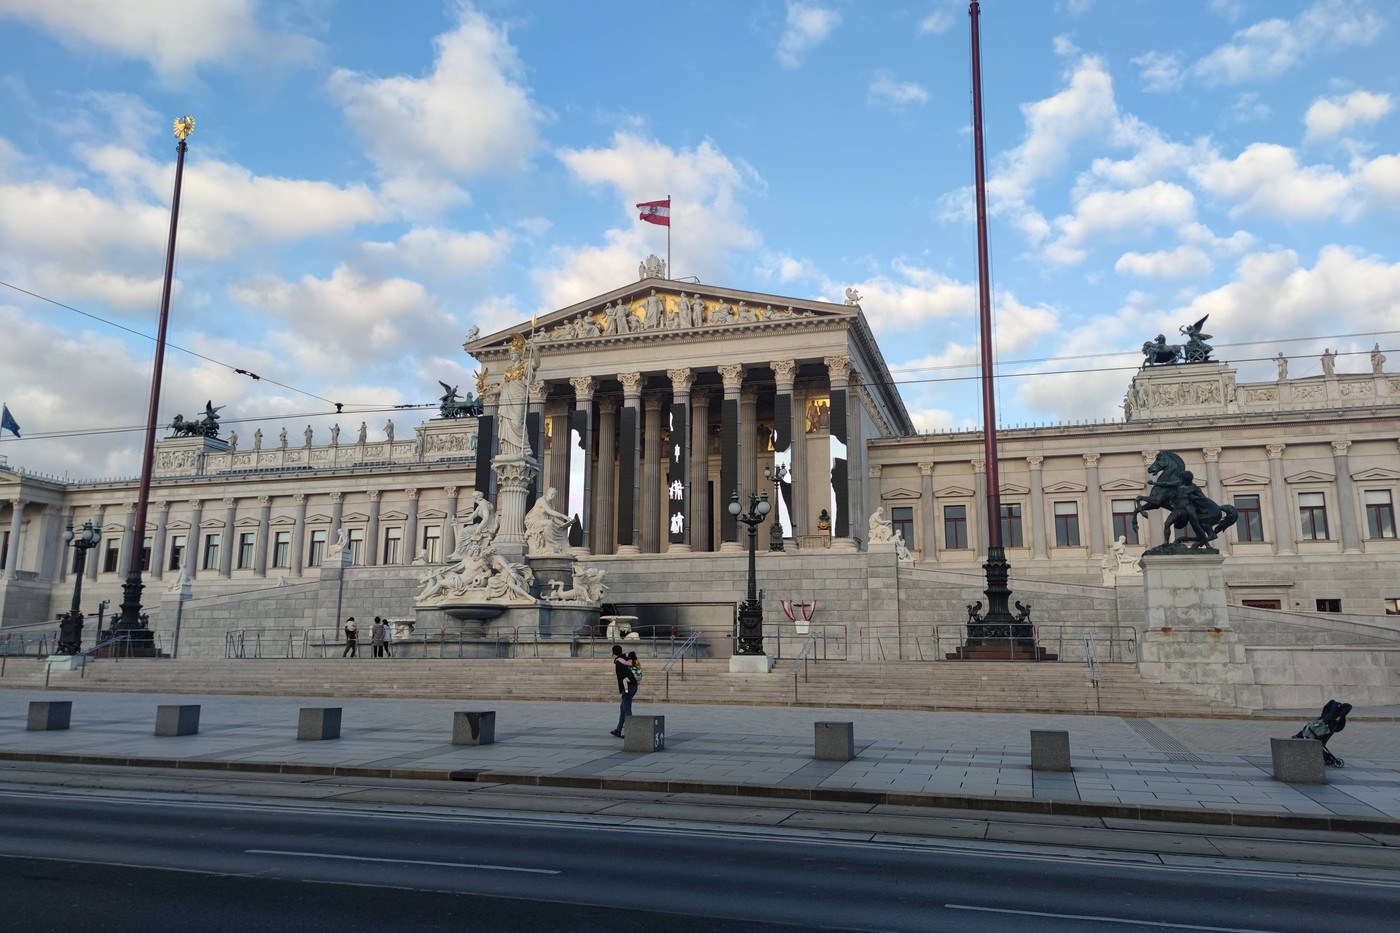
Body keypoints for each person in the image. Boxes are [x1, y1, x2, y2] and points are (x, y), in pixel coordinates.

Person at [611, 644, 637, 737]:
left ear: (614, 653)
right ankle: (618, 730)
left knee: (627, 709)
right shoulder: (625, 659)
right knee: (623, 708)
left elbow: (627, 674)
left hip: (629, 687)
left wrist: (629, 685)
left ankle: (630, 732)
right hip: (631, 686)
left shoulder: (619, 662)